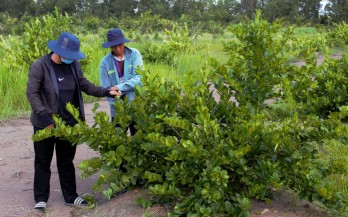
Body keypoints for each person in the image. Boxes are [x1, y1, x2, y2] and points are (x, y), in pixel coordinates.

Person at [26, 32, 119, 212]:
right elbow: (32, 93)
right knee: (43, 161)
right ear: (58, 51)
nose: (71, 59)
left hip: (69, 123)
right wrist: (44, 115)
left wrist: (106, 91)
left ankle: (71, 196)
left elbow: (85, 85)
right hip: (45, 123)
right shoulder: (40, 66)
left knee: (66, 161)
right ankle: (40, 198)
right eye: (68, 56)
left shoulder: (74, 65)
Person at [99, 28, 143, 135]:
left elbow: (139, 78)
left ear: (123, 42)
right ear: (110, 46)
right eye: (114, 46)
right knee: (118, 142)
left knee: (139, 141)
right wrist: (119, 106)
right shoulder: (105, 62)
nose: (118, 48)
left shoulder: (135, 54)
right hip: (117, 109)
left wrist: (119, 87)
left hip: (135, 106)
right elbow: (107, 89)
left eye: (120, 44)